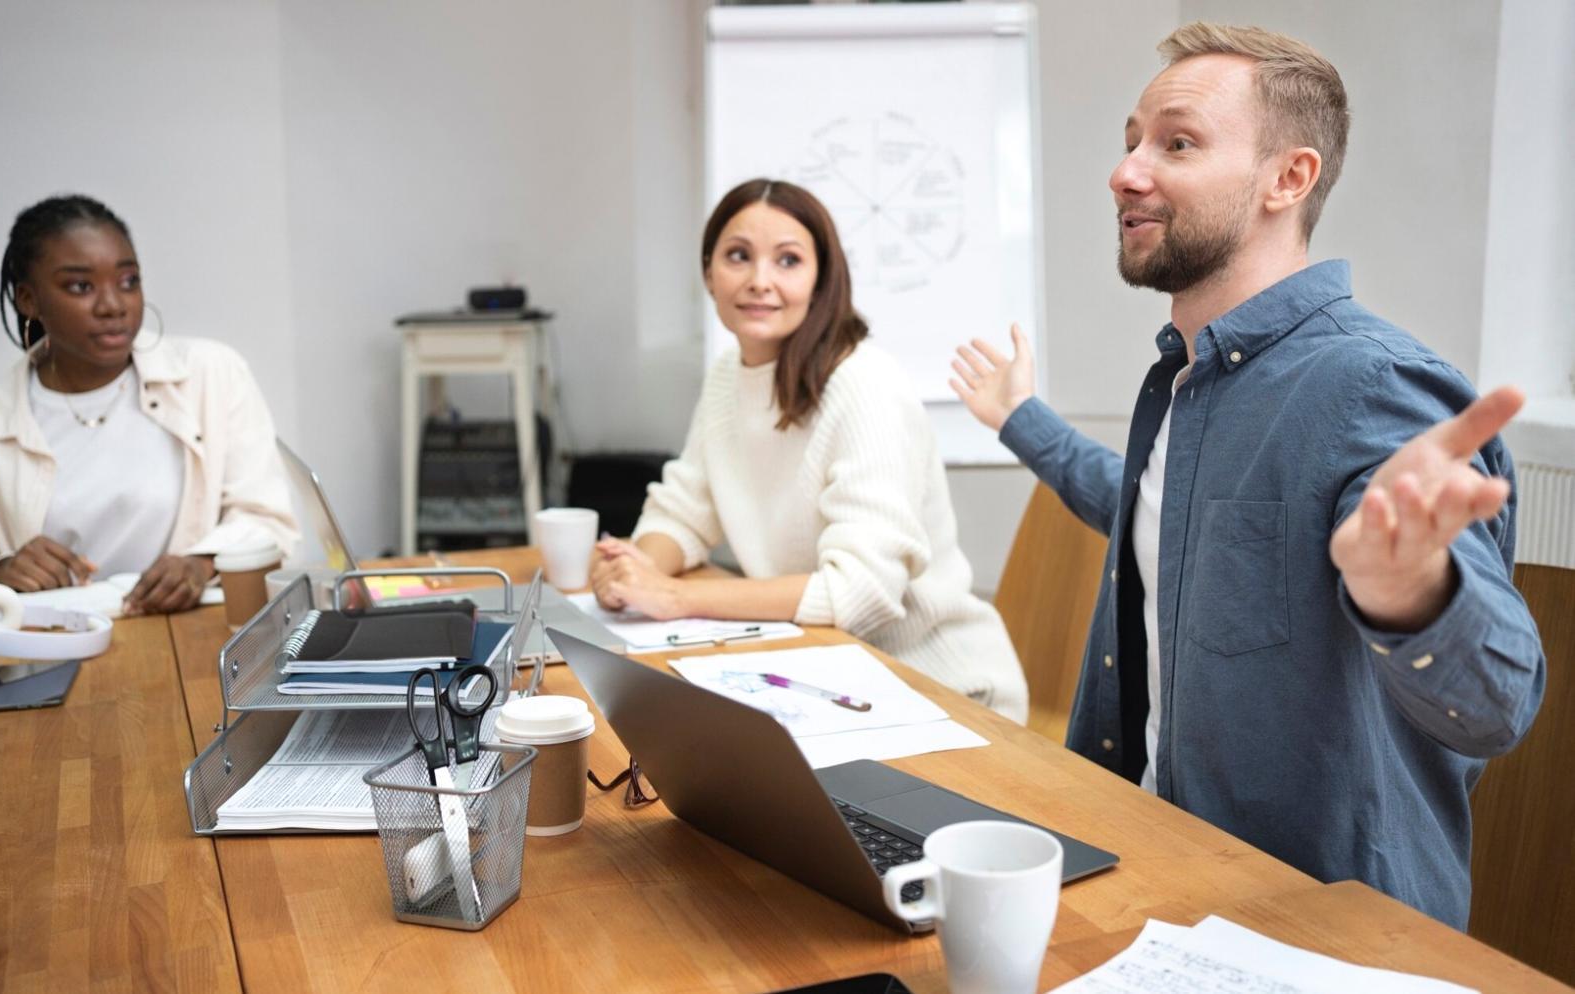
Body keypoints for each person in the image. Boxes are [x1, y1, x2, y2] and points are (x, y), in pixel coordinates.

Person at [950, 24, 1544, 927]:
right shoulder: (1189, 377)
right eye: (1131, 142)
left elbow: (1498, 706)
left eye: (1177, 143)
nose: (1126, 172)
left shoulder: (1375, 388)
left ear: (1289, 179)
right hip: (1151, 867)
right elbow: (1154, 515)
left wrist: (1412, 594)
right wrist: (1019, 420)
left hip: (1314, 930)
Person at [592, 178, 1028, 722]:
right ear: (708, 273)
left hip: (938, 687)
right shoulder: (729, 374)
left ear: (822, 279)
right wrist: (633, 573)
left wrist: (675, 597)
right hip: (817, 672)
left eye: (788, 260)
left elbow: (861, 593)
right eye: (738, 256)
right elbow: (683, 512)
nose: (759, 281)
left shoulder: (865, 384)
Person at [0, 194, 297, 615]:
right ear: (29, 300)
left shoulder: (212, 373)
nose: (113, 305)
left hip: (189, 635)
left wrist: (202, 563)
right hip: (51, 643)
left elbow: (269, 521)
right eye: (81, 286)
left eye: (128, 281)